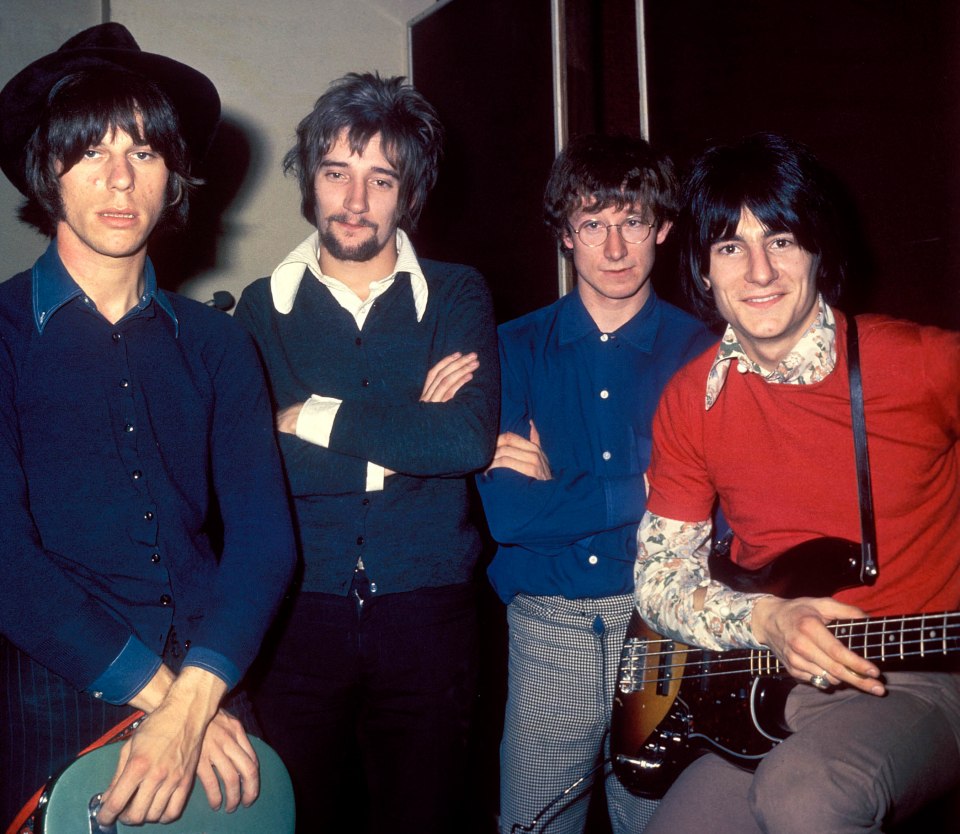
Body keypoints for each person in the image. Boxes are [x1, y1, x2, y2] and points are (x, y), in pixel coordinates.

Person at [0, 23, 296, 830]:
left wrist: (199, 696)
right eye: (90, 150)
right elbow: (6, 560)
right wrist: (173, 708)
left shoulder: (219, 343)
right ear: (45, 170)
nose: (120, 179)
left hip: (214, 676)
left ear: (175, 177)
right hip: (56, 689)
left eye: (145, 152)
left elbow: (266, 539)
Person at [634, 132, 960, 833]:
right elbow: (661, 580)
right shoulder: (690, 400)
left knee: (805, 798)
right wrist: (767, 620)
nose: (758, 271)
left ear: (816, 250)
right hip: (767, 683)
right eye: (730, 247)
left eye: (780, 240)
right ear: (703, 270)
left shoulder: (917, 363)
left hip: (914, 679)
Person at [234, 72, 499, 833]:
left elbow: (464, 439)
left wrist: (309, 415)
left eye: (380, 179)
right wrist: (407, 424)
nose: (355, 200)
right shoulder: (262, 306)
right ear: (310, 183)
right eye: (336, 173)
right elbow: (259, 469)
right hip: (296, 614)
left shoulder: (455, 294)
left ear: (408, 195)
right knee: (297, 816)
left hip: (430, 611)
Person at [475, 134, 715, 834]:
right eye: (592, 224)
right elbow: (512, 516)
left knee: (666, 824)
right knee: (536, 825)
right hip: (551, 628)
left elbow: (717, 510)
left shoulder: (703, 352)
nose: (614, 248)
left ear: (663, 230)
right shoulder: (510, 348)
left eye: (632, 221)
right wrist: (652, 483)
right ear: (564, 236)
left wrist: (567, 490)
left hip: (671, 631)